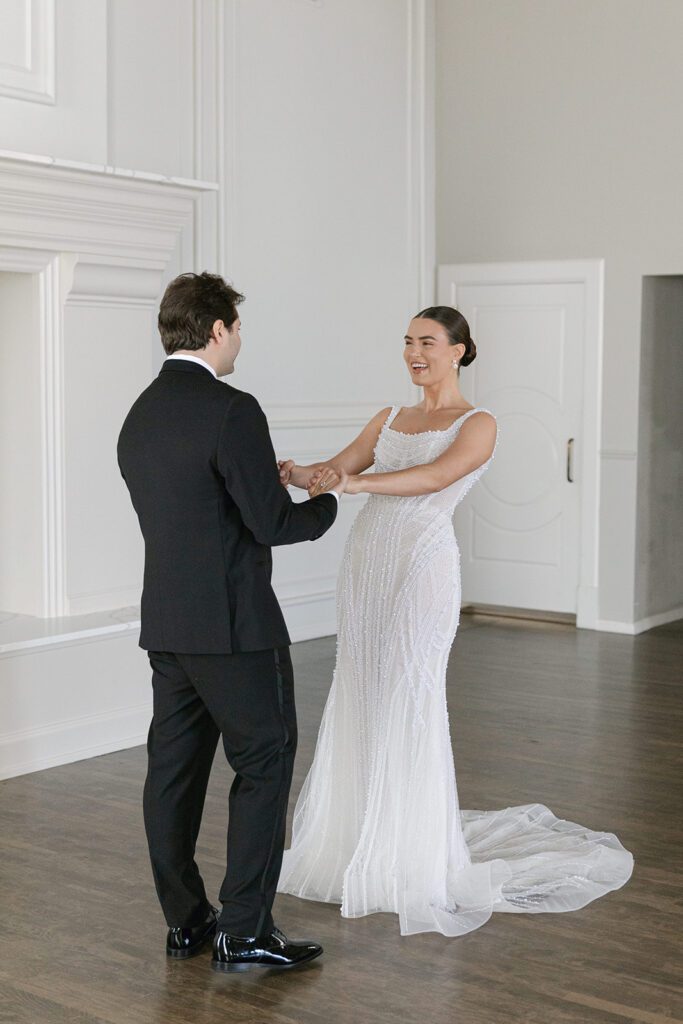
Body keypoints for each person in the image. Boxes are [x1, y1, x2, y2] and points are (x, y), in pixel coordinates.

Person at [276, 305, 634, 937]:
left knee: (408, 693)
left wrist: (357, 486)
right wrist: (300, 472)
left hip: (422, 564)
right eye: (408, 342)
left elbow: (436, 476)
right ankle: (356, 837)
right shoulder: (388, 417)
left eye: (429, 342)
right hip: (366, 566)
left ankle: (409, 851)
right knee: (360, 687)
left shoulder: (480, 423)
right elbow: (336, 470)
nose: (416, 352)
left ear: (460, 351)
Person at [117, 271, 343, 971]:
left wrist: (254, 482)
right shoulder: (231, 408)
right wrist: (326, 501)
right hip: (235, 628)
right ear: (215, 330)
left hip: (167, 624)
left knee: (173, 773)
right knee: (265, 761)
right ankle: (245, 929)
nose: (240, 338)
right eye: (237, 327)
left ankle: (187, 922)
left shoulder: (141, 412)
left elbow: (195, 506)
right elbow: (272, 524)